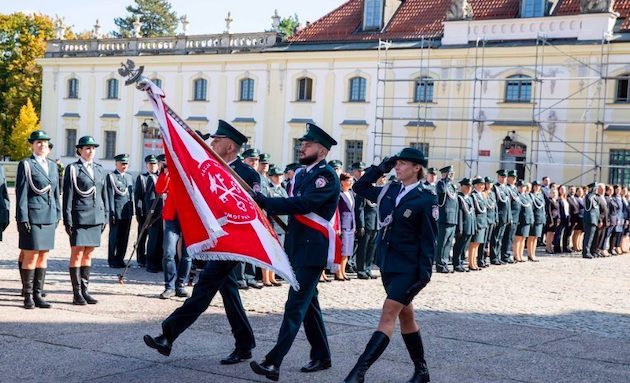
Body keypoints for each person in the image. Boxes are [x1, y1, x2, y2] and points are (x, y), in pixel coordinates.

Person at [144, 120, 258, 365]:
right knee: (229, 293)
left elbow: (254, 213)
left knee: (203, 289)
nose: (212, 144)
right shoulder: (212, 167)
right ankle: (245, 344)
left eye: (217, 141)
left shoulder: (247, 174)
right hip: (214, 240)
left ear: (230, 146)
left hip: (233, 244)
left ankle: (167, 335)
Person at [249, 123, 340, 381]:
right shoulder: (301, 174)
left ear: (321, 151)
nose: (303, 147)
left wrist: (268, 202)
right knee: (309, 305)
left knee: (295, 306)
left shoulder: (327, 176)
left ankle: (273, 362)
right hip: (297, 246)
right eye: (302, 143)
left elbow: (305, 203)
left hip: (312, 250)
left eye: (308, 144)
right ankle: (322, 355)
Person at [346, 147, 436, 383]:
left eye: (403, 164)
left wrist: (424, 275)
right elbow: (359, 187)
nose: (398, 167)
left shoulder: (426, 198)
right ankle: (421, 371)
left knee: (388, 314)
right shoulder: (389, 190)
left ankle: (358, 373)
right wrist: (381, 168)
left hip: (410, 268)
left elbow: (429, 239)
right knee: (406, 317)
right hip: (388, 264)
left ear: (417, 168)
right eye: (397, 163)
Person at [15, 131, 60, 309]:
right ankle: (27, 295)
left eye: (44, 143)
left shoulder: (52, 166)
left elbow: (56, 192)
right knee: (31, 255)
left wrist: (57, 213)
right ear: (32, 145)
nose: (42, 146)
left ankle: (38, 293)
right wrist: (22, 217)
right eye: (38, 143)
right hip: (33, 216)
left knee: (43, 256)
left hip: (49, 215)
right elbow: (21, 193)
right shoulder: (26, 164)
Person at [62, 136, 108, 305]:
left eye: (93, 148)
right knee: (77, 253)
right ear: (80, 150)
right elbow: (68, 195)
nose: (90, 151)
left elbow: (103, 195)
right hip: (79, 216)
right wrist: (67, 219)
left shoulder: (99, 168)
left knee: (88, 253)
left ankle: (85, 290)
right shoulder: (73, 168)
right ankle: (76, 293)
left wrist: (105, 216)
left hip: (96, 215)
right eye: (87, 148)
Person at [155, 158, 192, 299]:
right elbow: (160, 189)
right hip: (172, 216)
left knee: (187, 255)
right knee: (169, 252)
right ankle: (169, 287)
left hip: (189, 218)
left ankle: (180, 284)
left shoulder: (192, 170)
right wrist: (164, 172)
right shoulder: (171, 171)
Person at [106, 154, 134, 268]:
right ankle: (112, 260)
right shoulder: (111, 176)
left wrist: (132, 211)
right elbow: (109, 195)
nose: (124, 166)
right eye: (122, 163)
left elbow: (131, 195)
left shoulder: (129, 177)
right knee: (114, 237)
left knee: (124, 237)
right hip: (116, 212)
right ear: (116, 164)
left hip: (126, 212)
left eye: (126, 163)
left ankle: (120, 258)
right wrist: (111, 212)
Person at [263, 166, 287, 287]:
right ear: (270, 177)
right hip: (271, 224)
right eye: (276, 176)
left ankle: (272, 276)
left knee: (278, 253)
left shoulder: (283, 190)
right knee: (269, 252)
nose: (278, 178)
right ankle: (265, 277)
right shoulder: (268, 189)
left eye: (280, 175)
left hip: (281, 225)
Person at [134, 155, 159, 267]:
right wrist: (139, 212)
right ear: (147, 165)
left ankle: (151, 257)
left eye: (154, 164)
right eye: (150, 164)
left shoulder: (159, 177)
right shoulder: (142, 178)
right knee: (142, 236)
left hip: (154, 213)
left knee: (154, 237)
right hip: (144, 212)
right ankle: (140, 258)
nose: (152, 166)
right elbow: (138, 197)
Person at [435, 165, 458, 273]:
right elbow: (442, 191)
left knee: (448, 243)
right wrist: (445, 179)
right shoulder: (441, 184)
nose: (452, 176)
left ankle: (445, 263)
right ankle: (440, 264)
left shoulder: (452, 186)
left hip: (452, 218)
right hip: (445, 218)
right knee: (442, 242)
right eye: (451, 174)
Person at [144, 155, 164, 273]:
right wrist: (150, 215)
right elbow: (149, 198)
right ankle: (150, 264)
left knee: (160, 239)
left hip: (163, 214)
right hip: (154, 215)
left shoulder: (162, 177)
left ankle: (158, 263)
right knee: (153, 239)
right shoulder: (152, 178)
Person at [452, 178, 475, 272]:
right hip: (463, 226)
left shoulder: (469, 198)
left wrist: (474, 226)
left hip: (470, 226)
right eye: (467, 187)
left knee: (464, 246)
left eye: (470, 187)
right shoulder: (459, 198)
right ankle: (456, 263)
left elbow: (472, 214)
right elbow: (459, 214)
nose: (469, 189)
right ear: (462, 187)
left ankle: (461, 262)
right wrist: (460, 228)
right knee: (459, 245)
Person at [336, 172, 355, 281]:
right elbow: (337, 212)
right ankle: (338, 272)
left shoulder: (351, 193)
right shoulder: (340, 194)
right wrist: (338, 226)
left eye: (351, 180)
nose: (350, 182)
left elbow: (353, 211)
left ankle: (343, 271)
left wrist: (355, 225)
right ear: (342, 182)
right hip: (343, 224)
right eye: (348, 180)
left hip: (351, 224)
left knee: (347, 251)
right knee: (342, 250)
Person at [490, 170, 510, 265]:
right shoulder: (495, 187)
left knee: (500, 238)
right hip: (499, 216)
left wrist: (509, 216)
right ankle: (493, 257)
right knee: (495, 238)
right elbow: (495, 204)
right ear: (498, 177)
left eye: (505, 177)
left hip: (505, 217)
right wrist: (496, 217)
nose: (503, 179)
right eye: (502, 177)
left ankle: (498, 256)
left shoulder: (506, 188)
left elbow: (508, 204)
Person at [469, 177, 487, 271]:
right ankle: (471, 263)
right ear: (476, 185)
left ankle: (474, 263)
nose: (483, 186)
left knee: (477, 244)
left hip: (482, 222)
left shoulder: (481, 195)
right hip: (477, 222)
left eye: (483, 184)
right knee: (473, 244)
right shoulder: (473, 195)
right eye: (481, 184)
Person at [502, 170, 520, 263]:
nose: (513, 179)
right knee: (507, 237)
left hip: (516, 217)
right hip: (511, 216)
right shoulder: (507, 188)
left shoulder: (515, 189)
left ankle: (509, 254)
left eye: (514, 177)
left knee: (511, 237)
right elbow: (508, 205)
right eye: (511, 177)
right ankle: (505, 255)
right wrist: (510, 217)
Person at [513, 181, 533, 263]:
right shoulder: (516, 196)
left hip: (527, 220)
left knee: (523, 239)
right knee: (518, 238)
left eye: (523, 187)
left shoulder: (527, 196)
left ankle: (520, 254)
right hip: (520, 220)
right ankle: (516, 255)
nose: (522, 188)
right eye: (520, 187)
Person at [527, 181, 545, 262]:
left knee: (535, 238)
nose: (537, 187)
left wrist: (544, 218)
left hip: (540, 218)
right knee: (531, 237)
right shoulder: (531, 195)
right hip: (534, 218)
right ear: (533, 187)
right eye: (536, 186)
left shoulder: (541, 195)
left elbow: (543, 208)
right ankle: (530, 254)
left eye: (539, 186)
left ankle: (533, 253)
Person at [582, 183, 600, 259]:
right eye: (595, 188)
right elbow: (589, 205)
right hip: (590, 219)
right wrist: (590, 192)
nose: (596, 190)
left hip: (595, 219)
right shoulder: (589, 196)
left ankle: (592, 251)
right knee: (588, 237)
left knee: (593, 237)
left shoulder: (595, 197)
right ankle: (586, 252)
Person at [481, 177, 496, 268]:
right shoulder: (483, 194)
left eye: (491, 183)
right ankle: (480, 259)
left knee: (488, 241)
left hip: (491, 219)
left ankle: (485, 258)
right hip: (485, 220)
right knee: (483, 241)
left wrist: (495, 218)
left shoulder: (493, 194)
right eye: (487, 183)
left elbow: (495, 207)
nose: (489, 185)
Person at [545, 188, 560, 254]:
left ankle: (550, 246)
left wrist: (559, 219)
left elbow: (558, 210)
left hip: (556, 218)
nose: (554, 194)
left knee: (553, 233)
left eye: (555, 193)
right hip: (551, 219)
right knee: (549, 233)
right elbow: (549, 211)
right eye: (553, 192)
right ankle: (548, 247)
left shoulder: (556, 201)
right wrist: (551, 221)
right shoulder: (549, 200)